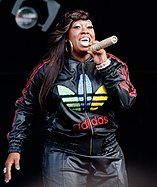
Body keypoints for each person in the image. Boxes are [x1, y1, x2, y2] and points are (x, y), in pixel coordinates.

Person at [4, 9, 137, 187]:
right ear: (67, 38)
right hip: (64, 154)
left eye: (89, 27)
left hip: (108, 154)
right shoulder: (48, 70)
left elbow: (126, 102)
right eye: (77, 27)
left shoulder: (113, 65)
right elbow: (25, 106)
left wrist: (104, 67)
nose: (85, 31)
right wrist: (15, 146)